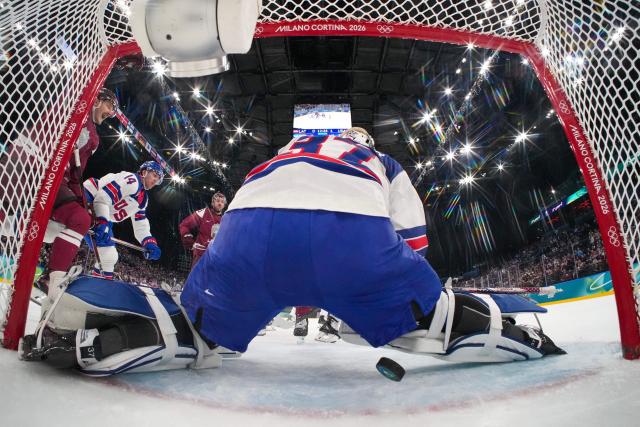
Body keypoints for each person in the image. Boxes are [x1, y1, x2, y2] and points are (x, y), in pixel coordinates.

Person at [21, 128, 563, 374]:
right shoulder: (377, 160)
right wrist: (405, 289)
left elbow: (241, 209)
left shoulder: (280, 156)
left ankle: (131, 331)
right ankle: (499, 329)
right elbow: (415, 241)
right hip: (348, 237)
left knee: (199, 325)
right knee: (430, 313)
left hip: (246, 230)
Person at [38, 88, 118, 298]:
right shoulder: (73, 108)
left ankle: (52, 282)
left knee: (80, 218)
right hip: (32, 167)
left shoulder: (93, 138)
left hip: (56, 182)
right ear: (98, 100)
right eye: (110, 106)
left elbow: (75, 173)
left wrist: (83, 204)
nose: (111, 113)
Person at [81, 161, 163, 283]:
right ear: (145, 172)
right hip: (90, 199)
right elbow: (103, 197)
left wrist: (149, 242)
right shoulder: (133, 180)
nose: (156, 181)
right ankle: (96, 290)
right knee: (108, 257)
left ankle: (94, 287)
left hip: (100, 210)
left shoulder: (143, 199)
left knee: (108, 257)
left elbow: (140, 225)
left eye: (158, 179)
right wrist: (103, 221)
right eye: (155, 175)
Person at [179, 192, 226, 269]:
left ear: (224, 205)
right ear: (212, 203)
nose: (220, 203)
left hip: (215, 257)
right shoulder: (204, 212)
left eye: (222, 202)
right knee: (195, 280)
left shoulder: (226, 219)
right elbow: (184, 224)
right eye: (217, 201)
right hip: (201, 253)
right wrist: (188, 239)